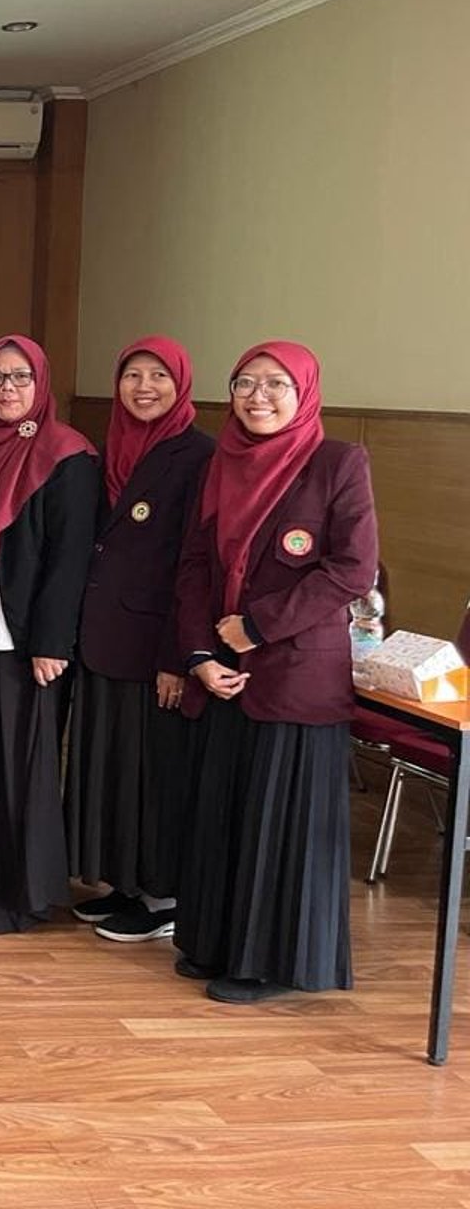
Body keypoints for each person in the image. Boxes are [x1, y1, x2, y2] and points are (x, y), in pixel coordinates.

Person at [173, 342, 376, 1004]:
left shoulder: (338, 463)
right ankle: (212, 943)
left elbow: (351, 570)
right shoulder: (221, 461)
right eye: (244, 383)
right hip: (223, 670)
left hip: (295, 673)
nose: (258, 397)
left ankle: (264, 964)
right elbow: (196, 564)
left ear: (305, 390)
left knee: (274, 820)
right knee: (222, 812)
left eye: (275, 384)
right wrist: (201, 651)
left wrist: (256, 626)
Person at [0, 335, 98, 935]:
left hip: (27, 640)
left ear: (41, 385)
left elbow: (70, 558)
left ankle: (17, 894)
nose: (7, 391)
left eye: (21, 379)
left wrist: (53, 642)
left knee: (18, 766)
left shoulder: (67, 453)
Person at [65, 338, 214, 944]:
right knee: (113, 766)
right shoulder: (111, 446)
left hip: (156, 647)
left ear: (181, 384)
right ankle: (125, 884)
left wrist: (179, 657)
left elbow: (194, 564)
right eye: (132, 374)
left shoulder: (197, 455)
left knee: (155, 772)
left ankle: (162, 895)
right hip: (103, 638)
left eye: (158, 376)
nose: (144, 386)